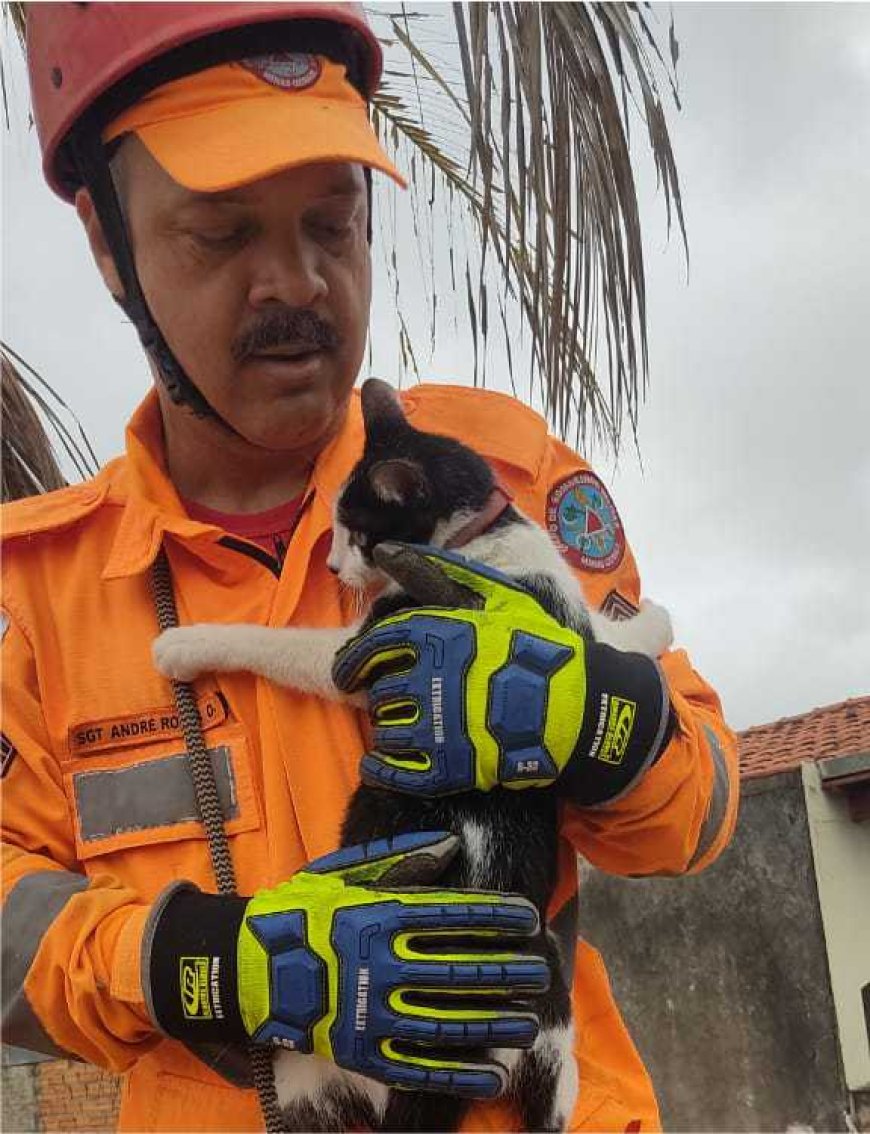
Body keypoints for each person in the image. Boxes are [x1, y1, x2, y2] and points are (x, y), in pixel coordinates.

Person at [1, 5, 738, 1131]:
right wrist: (203, 965)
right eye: (221, 233)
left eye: (332, 224)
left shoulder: (502, 479)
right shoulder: (37, 593)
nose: (294, 282)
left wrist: (605, 717)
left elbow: (699, 812)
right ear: (109, 244)